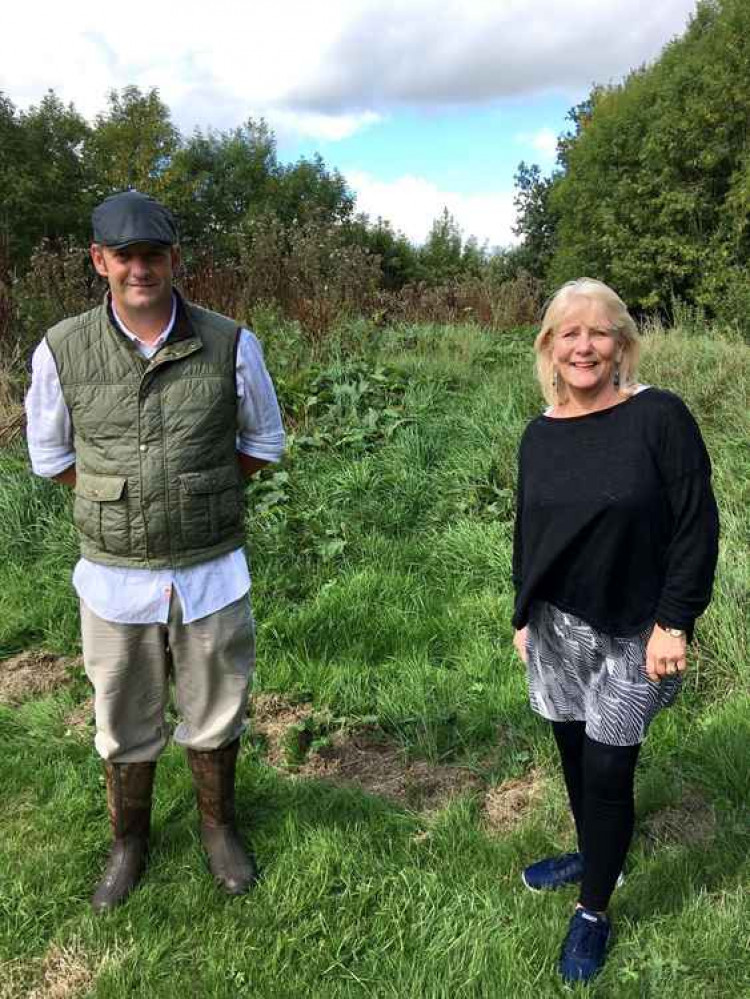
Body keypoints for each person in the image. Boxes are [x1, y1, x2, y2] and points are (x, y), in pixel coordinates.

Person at [25, 191, 285, 911]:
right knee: (122, 712)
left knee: (217, 705)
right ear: (99, 261)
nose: (139, 268)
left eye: (153, 254)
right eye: (124, 255)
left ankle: (218, 828)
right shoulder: (62, 346)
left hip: (211, 572)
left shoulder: (231, 340)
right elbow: (49, 455)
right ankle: (128, 841)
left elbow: (263, 441)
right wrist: (119, 497)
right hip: (113, 580)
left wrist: (195, 491)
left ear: (175, 259)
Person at [511, 278, 719, 984]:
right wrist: (521, 612)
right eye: (568, 333)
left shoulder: (658, 416)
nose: (584, 345)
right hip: (556, 625)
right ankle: (599, 851)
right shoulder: (539, 434)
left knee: (608, 766)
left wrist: (675, 621)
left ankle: (594, 907)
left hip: (637, 630)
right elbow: (530, 531)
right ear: (548, 346)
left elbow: (697, 524)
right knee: (572, 748)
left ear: (622, 343)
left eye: (598, 332)